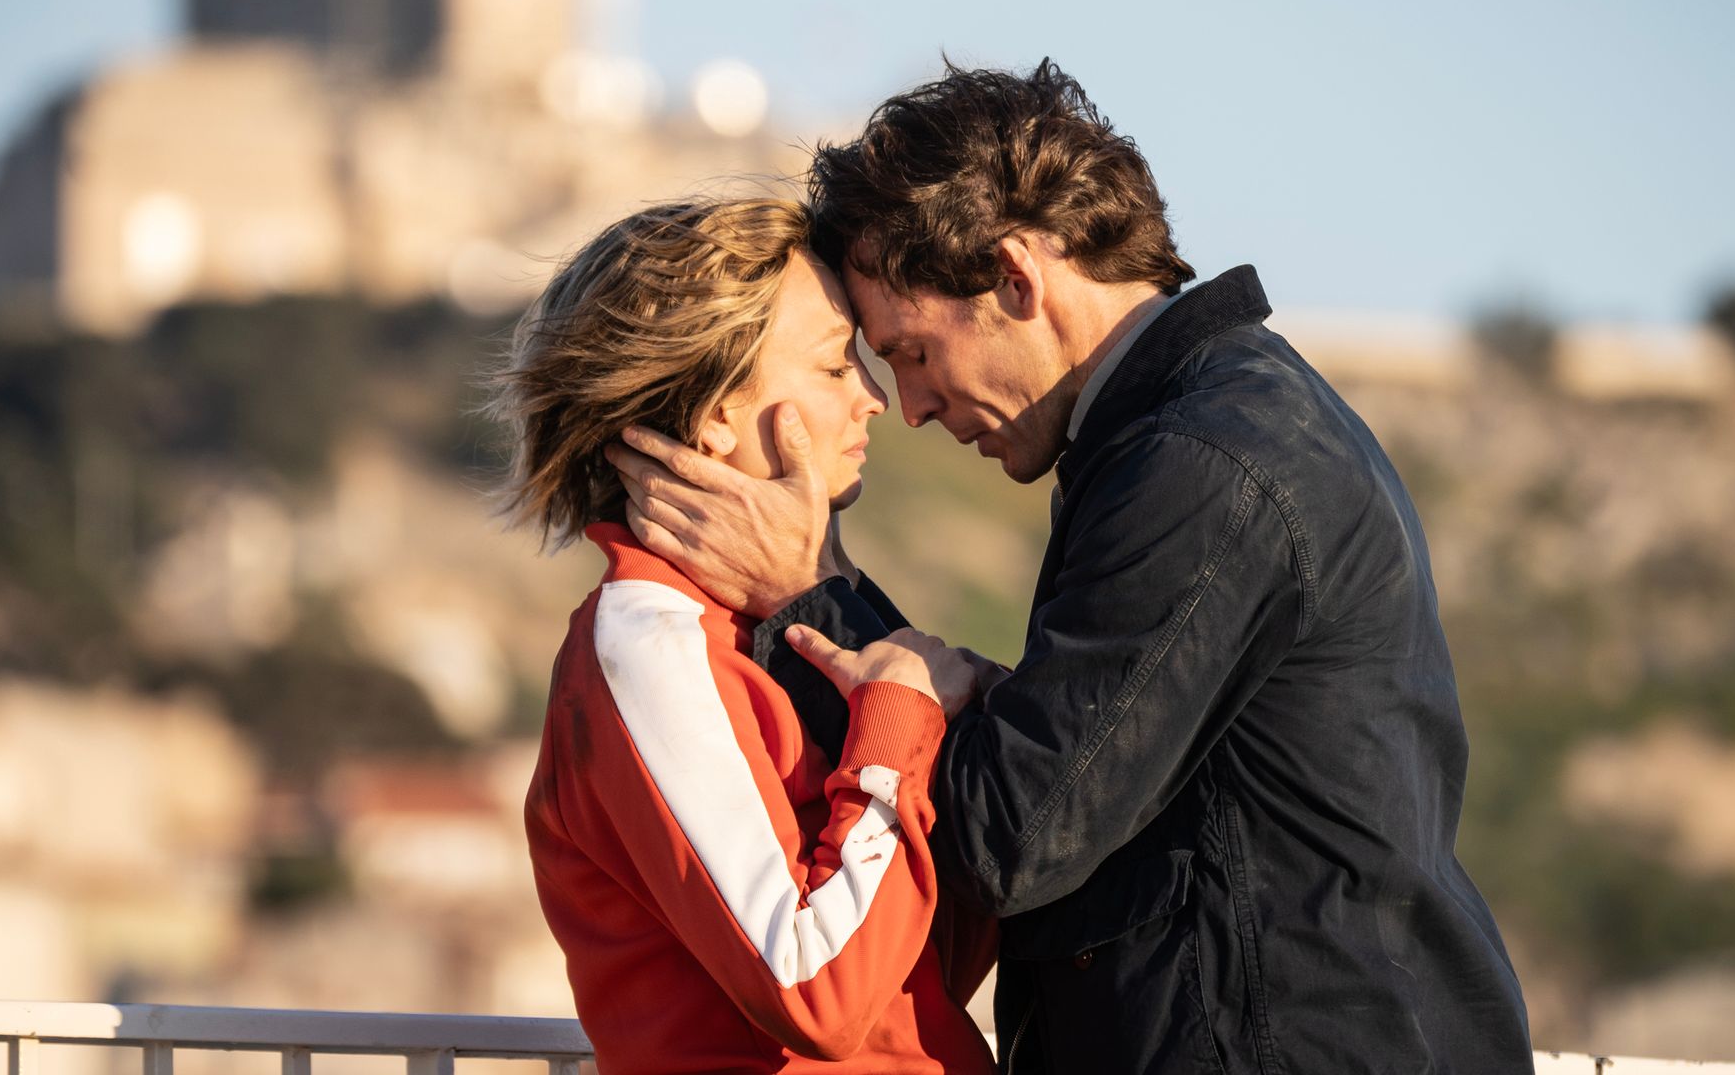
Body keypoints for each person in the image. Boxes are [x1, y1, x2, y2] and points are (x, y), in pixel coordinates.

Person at [609, 62, 1535, 1073]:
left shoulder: (1201, 464)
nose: (909, 407)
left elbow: (1014, 836)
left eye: (910, 352)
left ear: (1015, 279)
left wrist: (807, 599)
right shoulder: (1197, 432)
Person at [488, 197, 998, 1074]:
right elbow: (818, 991)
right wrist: (896, 725)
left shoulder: (752, 628)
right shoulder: (649, 641)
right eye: (836, 366)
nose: (874, 400)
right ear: (717, 412)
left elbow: (920, 961)